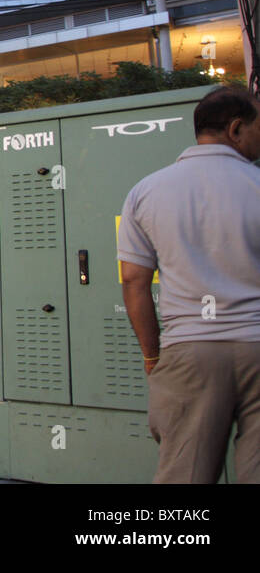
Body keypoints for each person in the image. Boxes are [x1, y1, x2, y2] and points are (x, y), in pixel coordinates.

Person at [118, 85, 260, 483]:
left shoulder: (146, 191)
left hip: (189, 350)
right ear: (235, 129)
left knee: (185, 474)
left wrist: (152, 356)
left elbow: (134, 281)